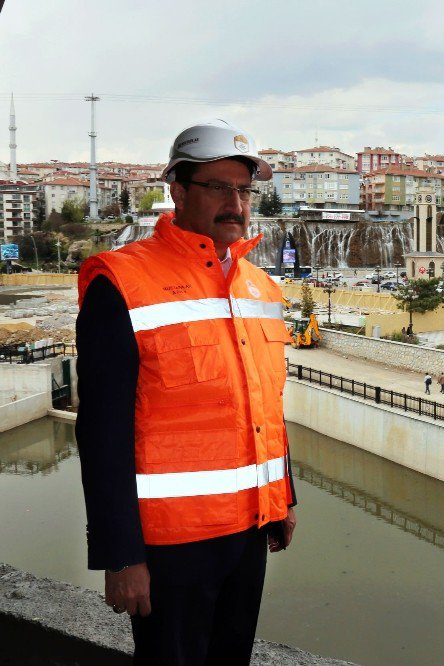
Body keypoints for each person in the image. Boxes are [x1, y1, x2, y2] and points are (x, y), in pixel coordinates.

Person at [76, 119, 297, 665]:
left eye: (244, 190)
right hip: (171, 546)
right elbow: (102, 432)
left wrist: (284, 496)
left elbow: (264, 402)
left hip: (248, 533)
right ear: (178, 191)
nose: (236, 203)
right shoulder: (123, 283)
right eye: (218, 187)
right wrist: (120, 555)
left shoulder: (261, 287)